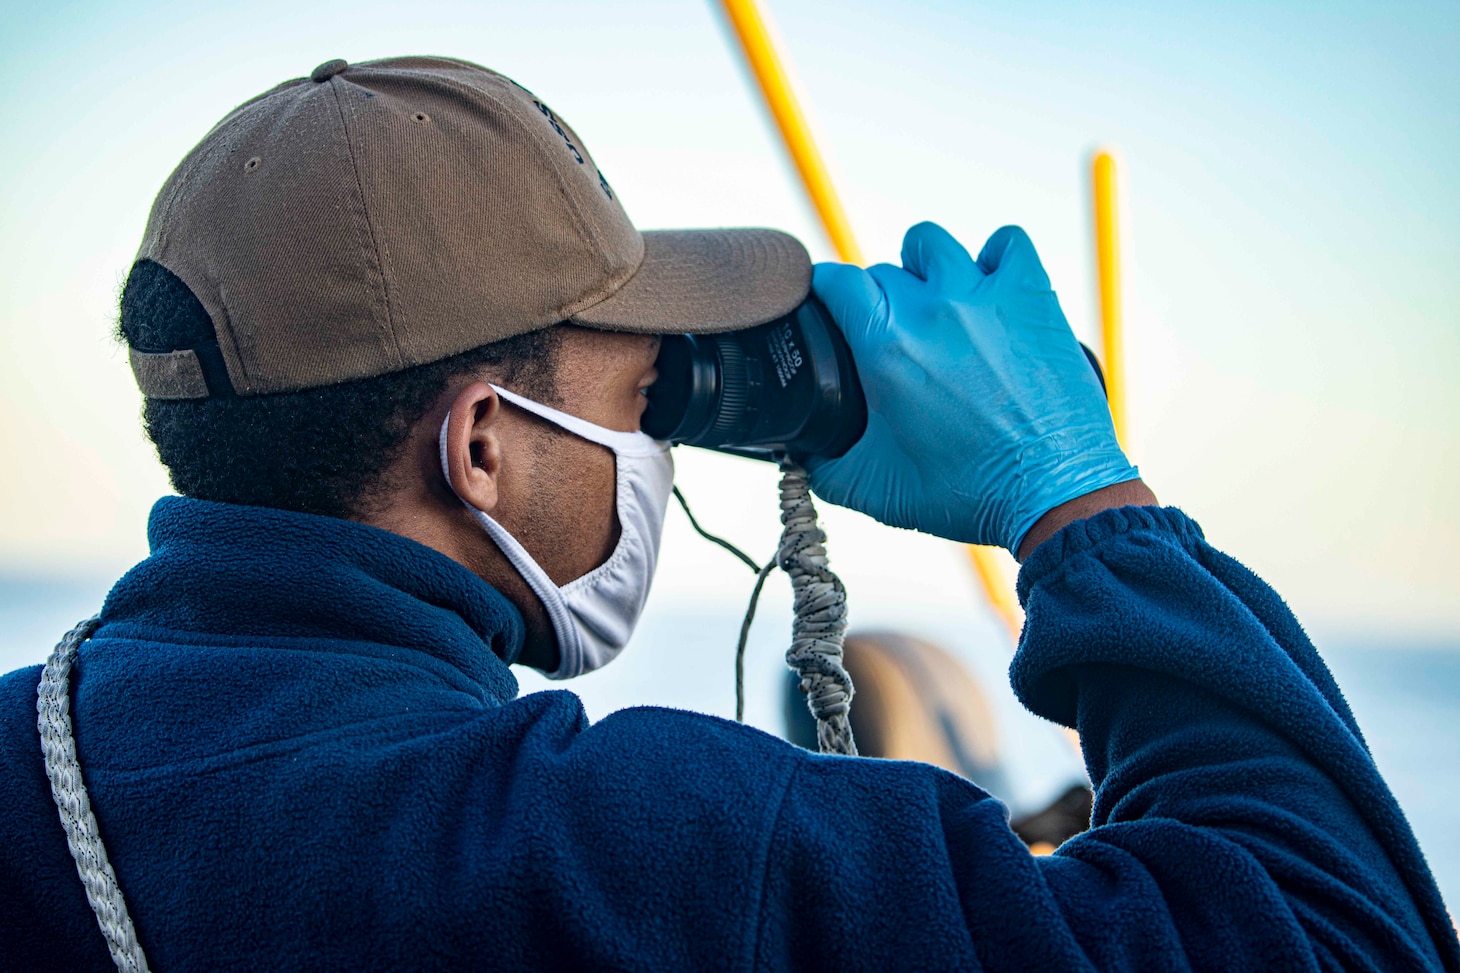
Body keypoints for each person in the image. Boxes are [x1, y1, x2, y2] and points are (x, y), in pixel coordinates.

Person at [0, 54, 1453, 973]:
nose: (665, 455)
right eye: (645, 402)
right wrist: (1081, 501)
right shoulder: (656, 856)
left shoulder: (27, 761)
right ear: (485, 448)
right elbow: (1339, 933)